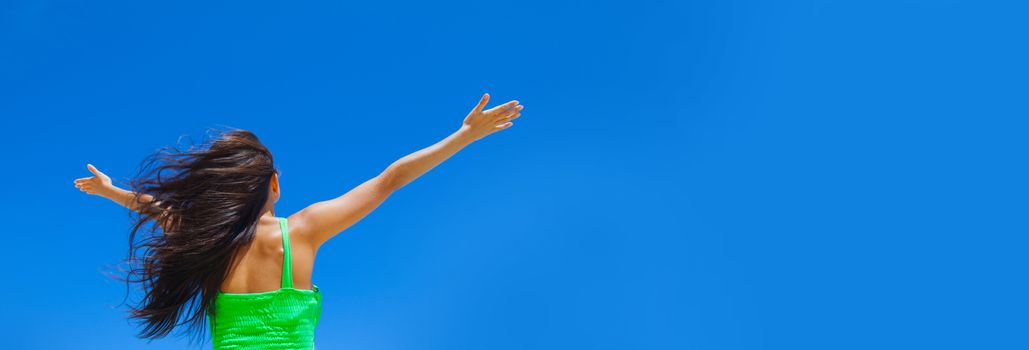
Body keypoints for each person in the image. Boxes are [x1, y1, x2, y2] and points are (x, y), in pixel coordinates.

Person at [72, 93, 523, 349]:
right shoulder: (301, 231)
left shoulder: (208, 239)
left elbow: (157, 209)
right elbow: (389, 180)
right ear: (272, 185)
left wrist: (113, 191)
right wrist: (465, 135)